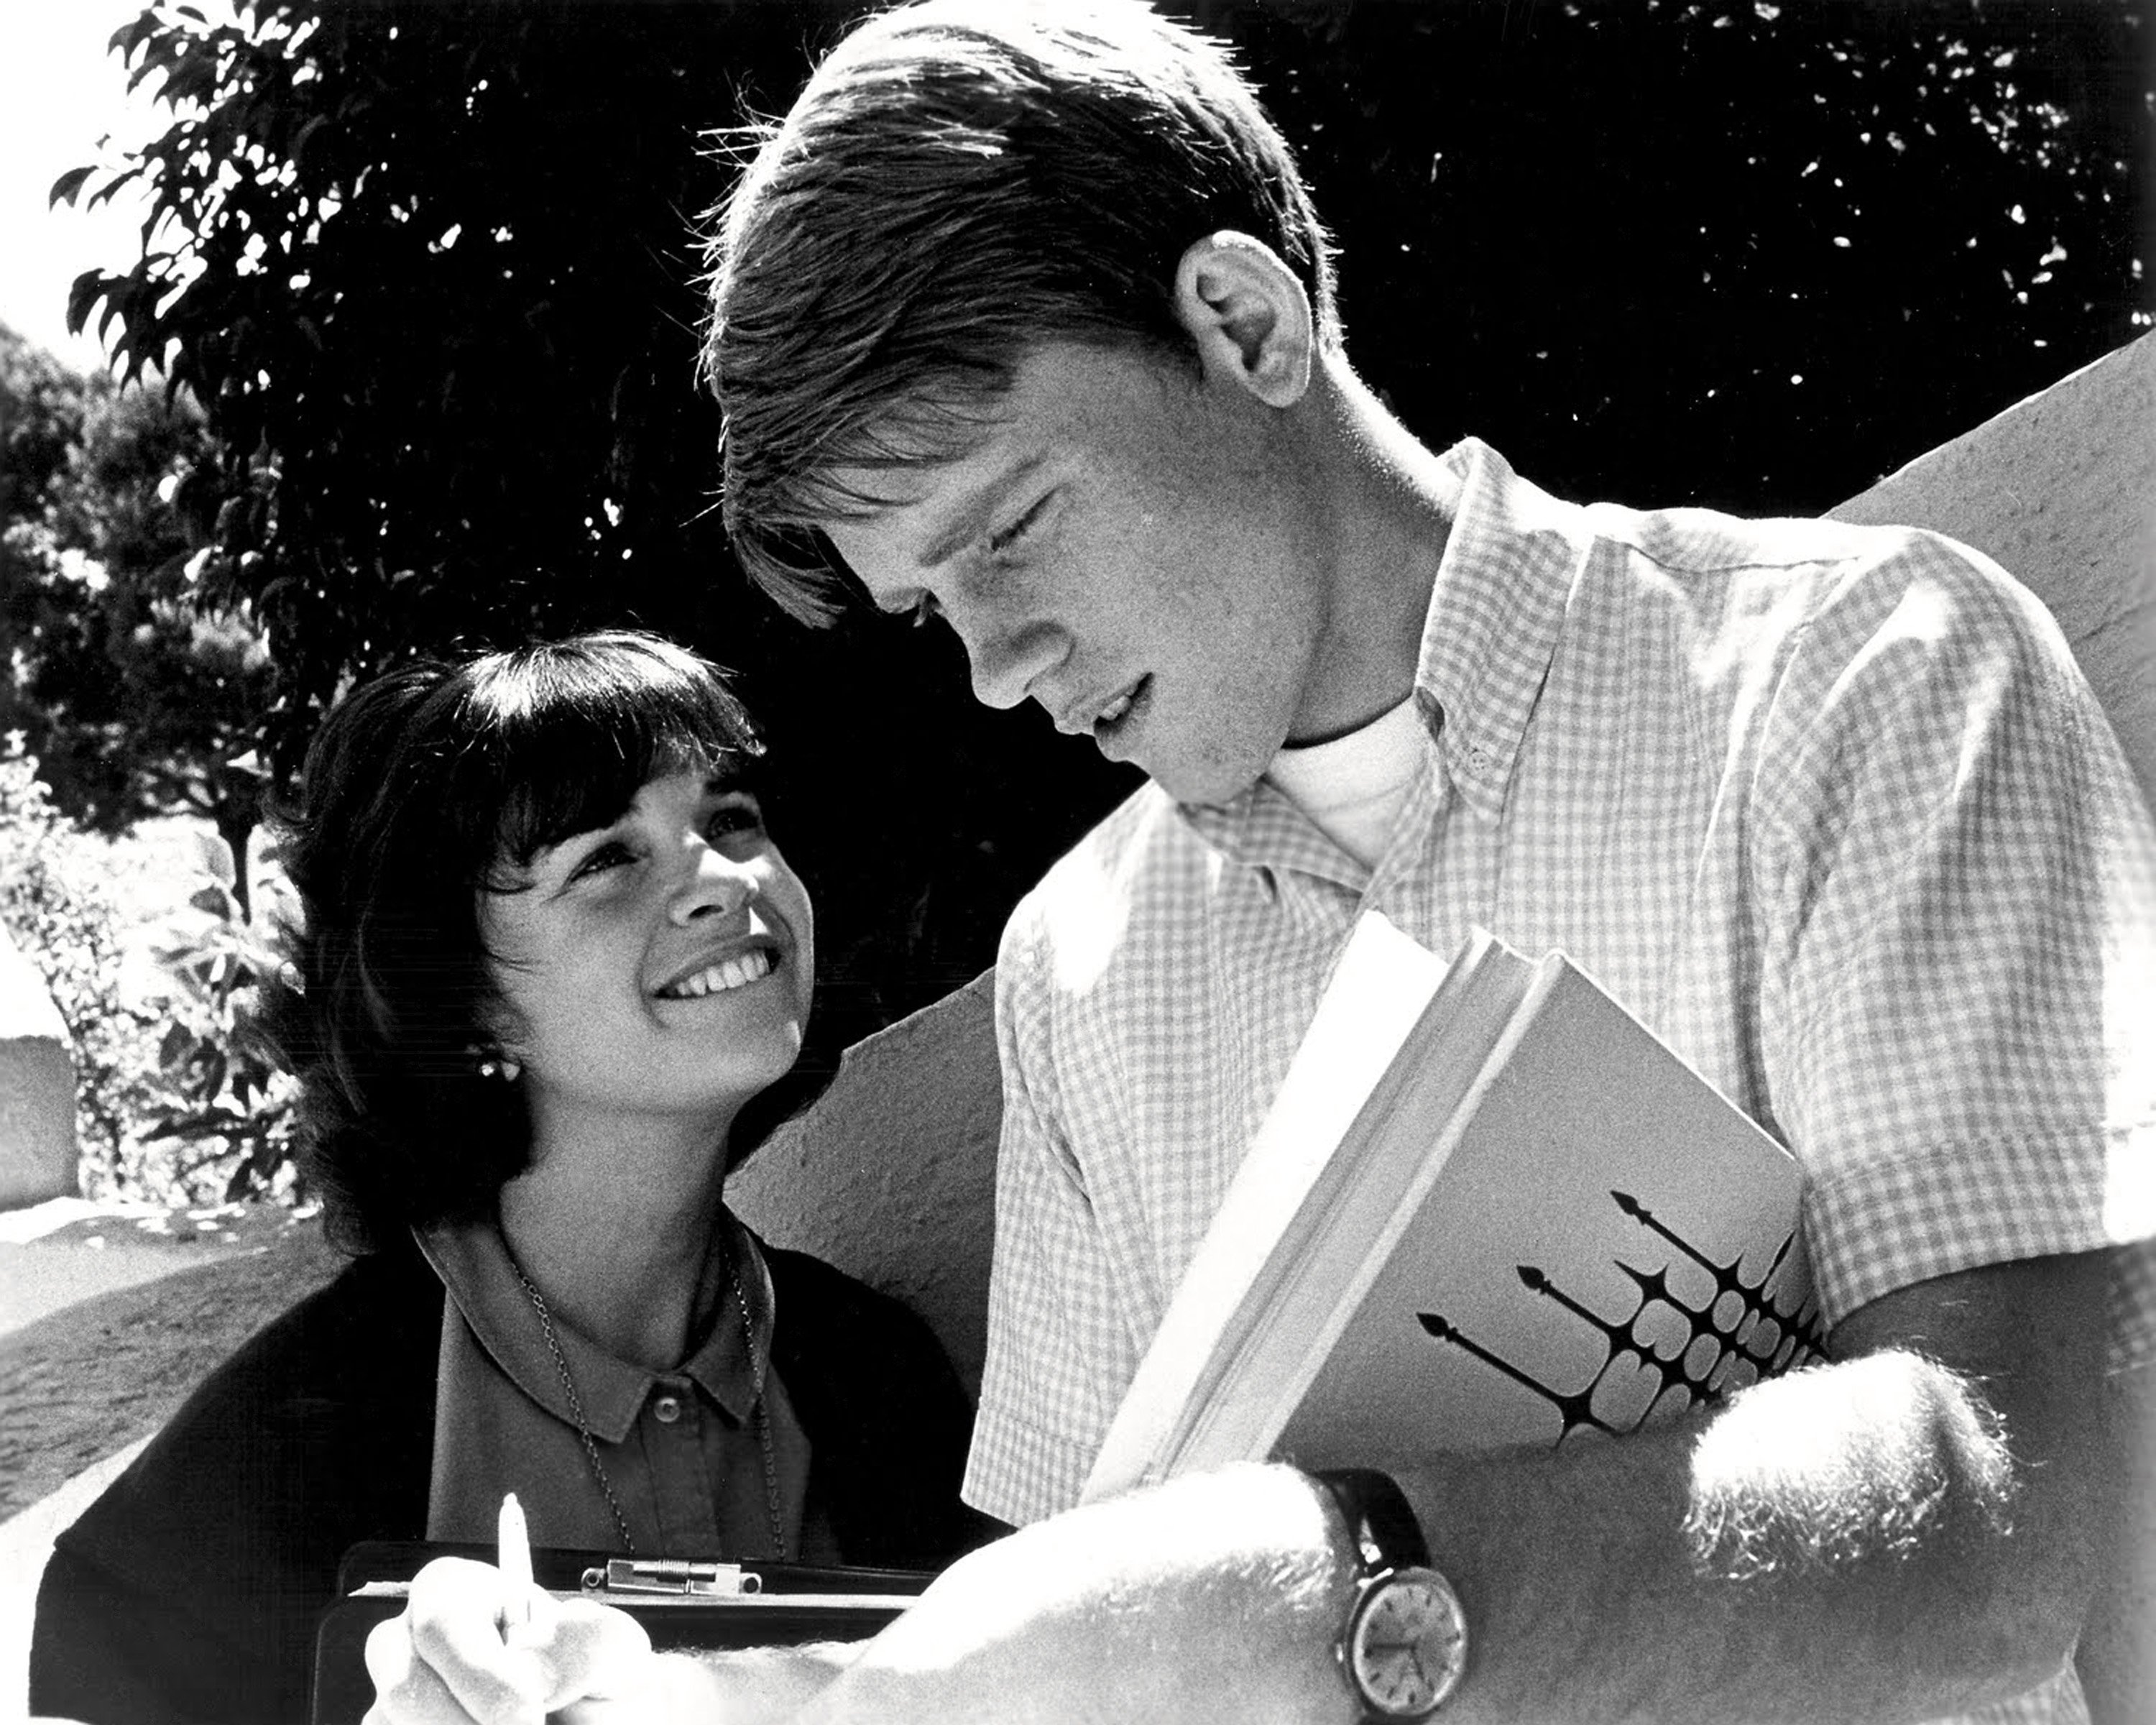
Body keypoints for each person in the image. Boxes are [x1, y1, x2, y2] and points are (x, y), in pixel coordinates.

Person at [365, 2, 2156, 1721]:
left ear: (1241, 322)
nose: (992, 666)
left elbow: (1997, 1527)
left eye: (1009, 529)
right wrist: (683, 1695)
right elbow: (1073, 1652)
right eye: (929, 607)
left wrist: (1335, 1590)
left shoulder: (1869, 678)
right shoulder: (1078, 966)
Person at [29, 631, 987, 1725]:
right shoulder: (248, 1481)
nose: (722, 881)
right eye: (608, 860)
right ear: (465, 1000)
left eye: (730, 820)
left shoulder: (884, 1379)